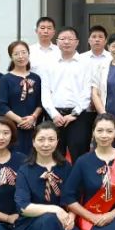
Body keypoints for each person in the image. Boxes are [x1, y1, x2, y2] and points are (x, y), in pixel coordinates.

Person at [13, 122, 83, 230]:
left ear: (57, 142)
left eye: (51, 139)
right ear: (33, 142)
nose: (46, 144)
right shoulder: (25, 170)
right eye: (41, 139)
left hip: (62, 219)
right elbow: (23, 207)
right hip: (31, 222)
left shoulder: (66, 167)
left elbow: (73, 197)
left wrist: (72, 216)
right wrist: (55, 209)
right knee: (48, 220)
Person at [40, 27, 93, 159]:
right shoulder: (49, 63)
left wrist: (74, 113)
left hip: (78, 116)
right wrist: (54, 114)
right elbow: (45, 92)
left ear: (77, 42)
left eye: (70, 39)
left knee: (80, 153)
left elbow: (87, 92)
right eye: (63, 39)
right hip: (55, 116)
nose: (66, 42)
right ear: (57, 42)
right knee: (54, 155)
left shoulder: (86, 63)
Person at [0, 40, 44, 155]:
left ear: (28, 54)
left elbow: (40, 102)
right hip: (13, 126)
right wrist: (20, 121)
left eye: (23, 52)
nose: (21, 56)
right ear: (11, 57)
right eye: (16, 54)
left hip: (33, 126)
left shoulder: (36, 78)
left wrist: (33, 118)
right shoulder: (5, 79)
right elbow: (2, 105)